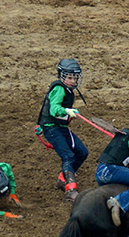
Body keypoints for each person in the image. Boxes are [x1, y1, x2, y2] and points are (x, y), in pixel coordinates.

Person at [36, 58, 89, 202]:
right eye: (69, 77)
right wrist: (67, 110)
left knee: (82, 152)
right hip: (52, 128)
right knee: (68, 156)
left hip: (61, 128)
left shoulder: (67, 89)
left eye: (74, 77)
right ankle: (70, 190)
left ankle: (62, 179)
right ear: (62, 76)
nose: (72, 80)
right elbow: (54, 110)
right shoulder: (59, 89)